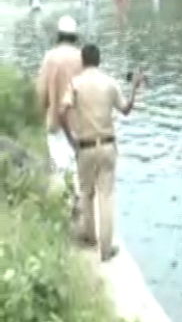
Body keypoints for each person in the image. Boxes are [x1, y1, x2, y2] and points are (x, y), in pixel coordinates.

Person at [59, 44, 144, 261]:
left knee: (86, 194)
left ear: (83, 61)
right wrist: (134, 89)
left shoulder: (75, 84)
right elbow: (125, 110)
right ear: (99, 60)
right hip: (107, 145)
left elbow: (62, 111)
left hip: (85, 147)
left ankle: (90, 238)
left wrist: (71, 139)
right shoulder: (110, 83)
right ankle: (106, 251)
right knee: (106, 197)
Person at [36, 15, 83, 186]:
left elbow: (41, 94)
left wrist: (40, 116)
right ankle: (81, 207)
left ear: (58, 35)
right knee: (79, 172)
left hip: (56, 123)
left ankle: (64, 205)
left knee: (60, 172)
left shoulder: (50, 58)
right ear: (75, 36)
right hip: (79, 123)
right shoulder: (82, 57)